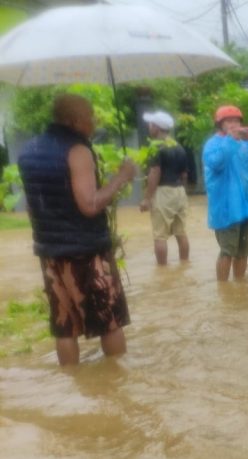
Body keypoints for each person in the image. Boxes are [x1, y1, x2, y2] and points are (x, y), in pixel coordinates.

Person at [17, 94, 136, 366]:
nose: (93, 122)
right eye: (90, 117)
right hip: (86, 251)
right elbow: (89, 204)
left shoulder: (29, 150)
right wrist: (121, 177)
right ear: (74, 121)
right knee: (110, 321)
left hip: (49, 251)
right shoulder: (77, 151)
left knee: (64, 326)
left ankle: (71, 381)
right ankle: (116, 383)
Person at [202, 105, 248, 282]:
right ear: (220, 124)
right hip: (227, 208)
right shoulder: (213, 144)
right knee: (227, 251)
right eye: (229, 121)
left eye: (236, 121)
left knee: (243, 252)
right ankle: (223, 290)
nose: (234, 124)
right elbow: (216, 163)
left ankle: (240, 288)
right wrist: (231, 140)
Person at [139, 110, 190, 265]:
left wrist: (147, 199)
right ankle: (184, 264)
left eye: (151, 124)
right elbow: (184, 175)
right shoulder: (179, 147)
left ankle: (162, 270)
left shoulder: (156, 147)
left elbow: (155, 172)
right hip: (180, 191)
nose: (149, 126)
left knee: (160, 236)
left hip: (162, 192)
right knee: (181, 233)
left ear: (157, 127)